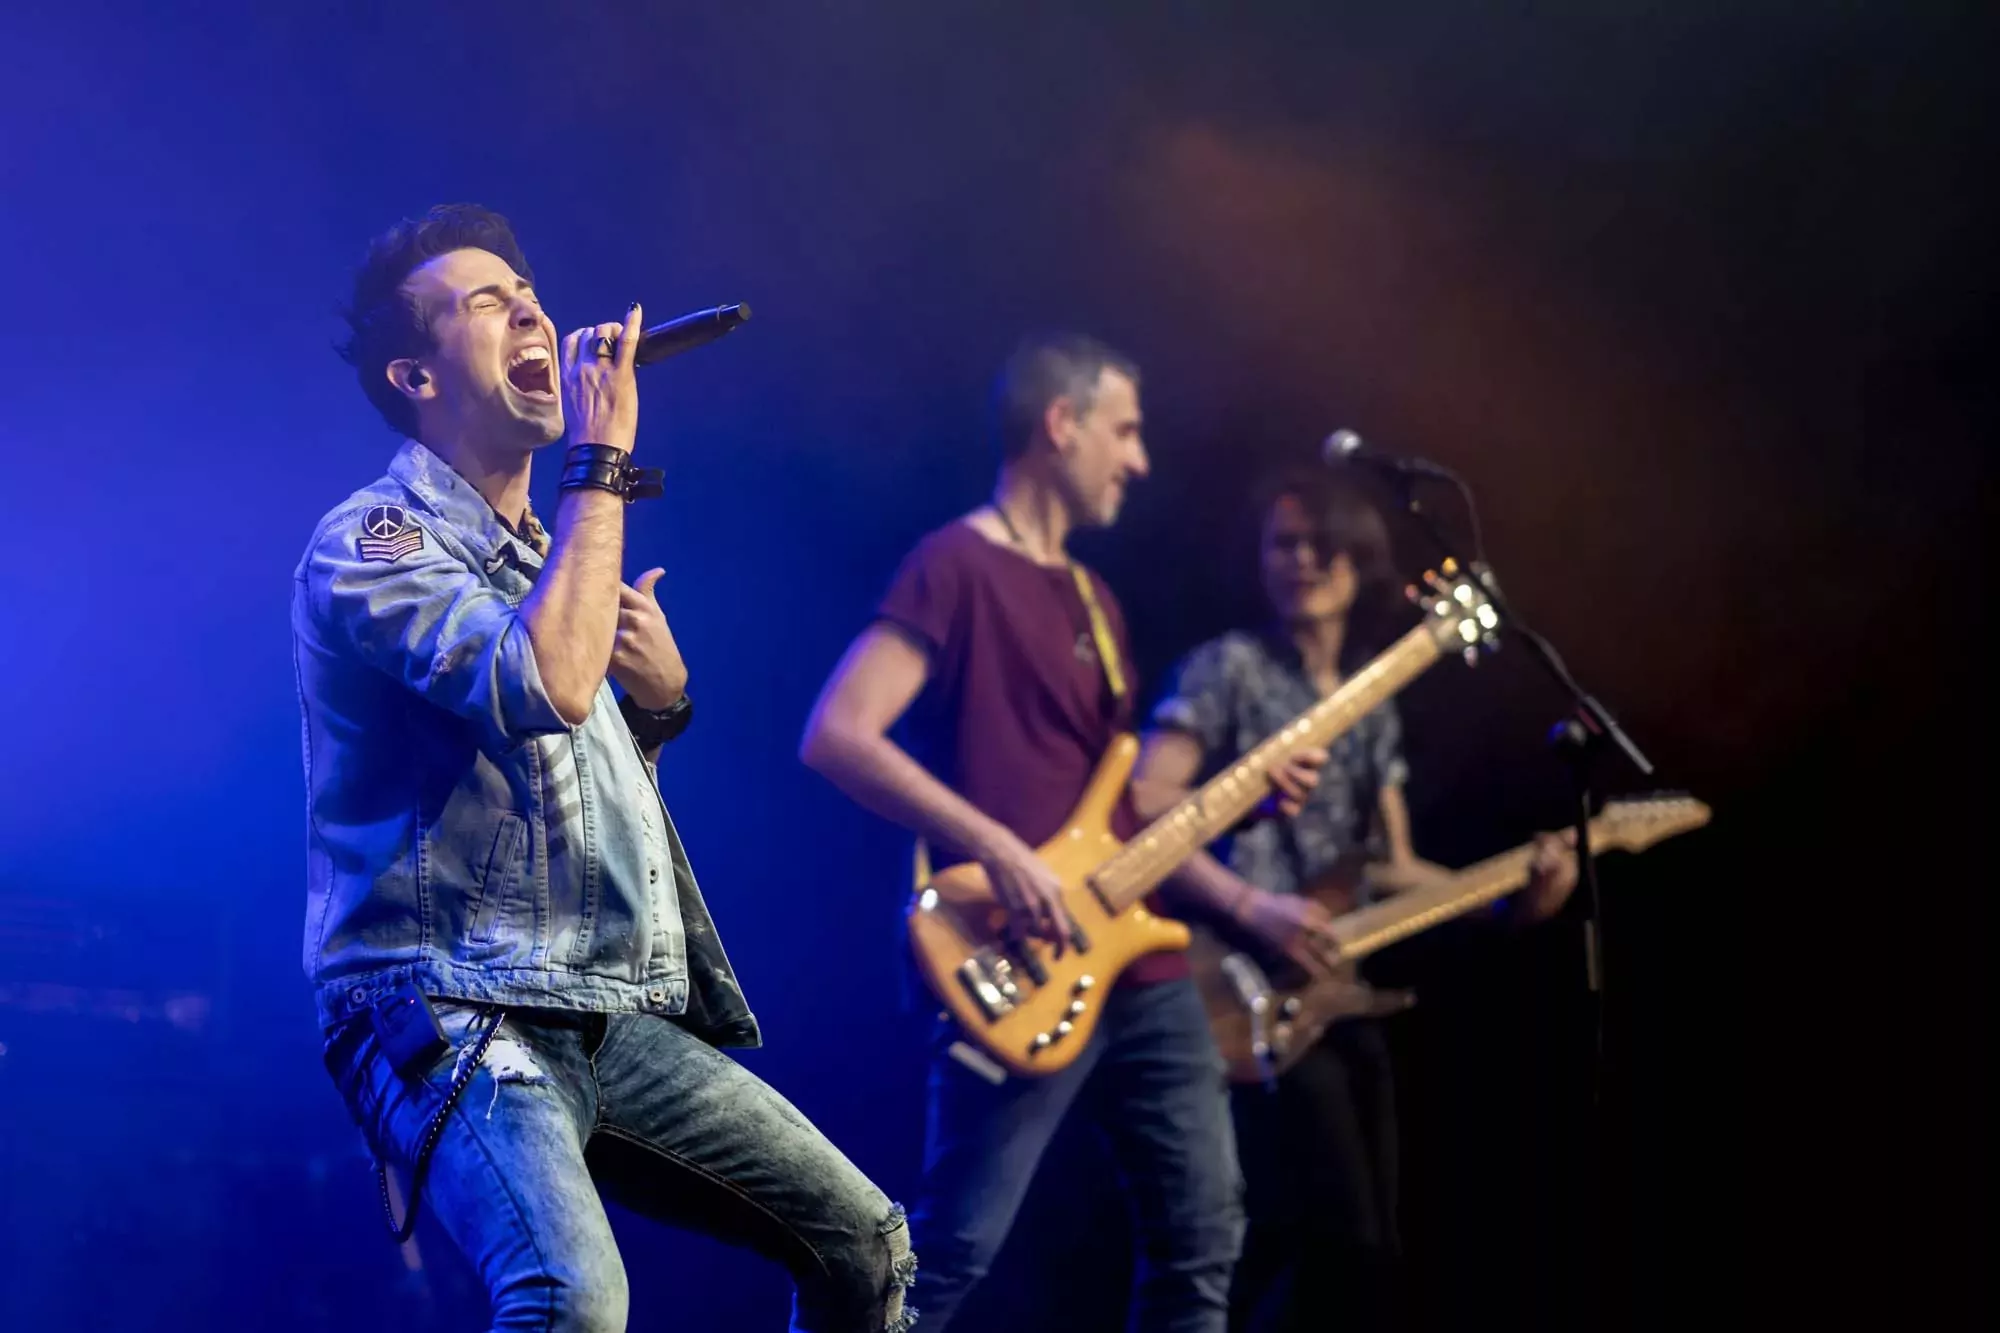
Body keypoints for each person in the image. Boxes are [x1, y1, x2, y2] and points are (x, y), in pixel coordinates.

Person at [295, 203, 913, 1333]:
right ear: (415, 375)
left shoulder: (552, 557)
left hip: (588, 1006)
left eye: (527, 291)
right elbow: (540, 685)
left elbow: (566, 799)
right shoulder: (369, 541)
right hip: (446, 1002)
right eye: (486, 304)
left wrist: (662, 708)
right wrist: (597, 465)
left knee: (861, 1244)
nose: (530, 308)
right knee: (571, 1297)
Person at [800, 335, 1320, 1332]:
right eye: (1124, 431)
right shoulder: (952, 564)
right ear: (1059, 424)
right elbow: (836, 733)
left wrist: (1239, 806)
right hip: (1011, 954)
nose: (1139, 459)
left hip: (1142, 962)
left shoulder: (1097, 597)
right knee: (946, 1252)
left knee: (1202, 1237)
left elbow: (1121, 808)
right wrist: (994, 846)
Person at [1129, 470, 1578, 1333]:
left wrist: (1514, 891)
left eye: (1320, 544)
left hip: (1336, 987)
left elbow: (1393, 864)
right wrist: (1253, 909)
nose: (1300, 560)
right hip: (1234, 980)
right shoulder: (1228, 668)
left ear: (1360, 561)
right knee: (1316, 1241)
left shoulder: (1370, 707)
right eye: (1282, 543)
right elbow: (1143, 810)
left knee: (1371, 1250)